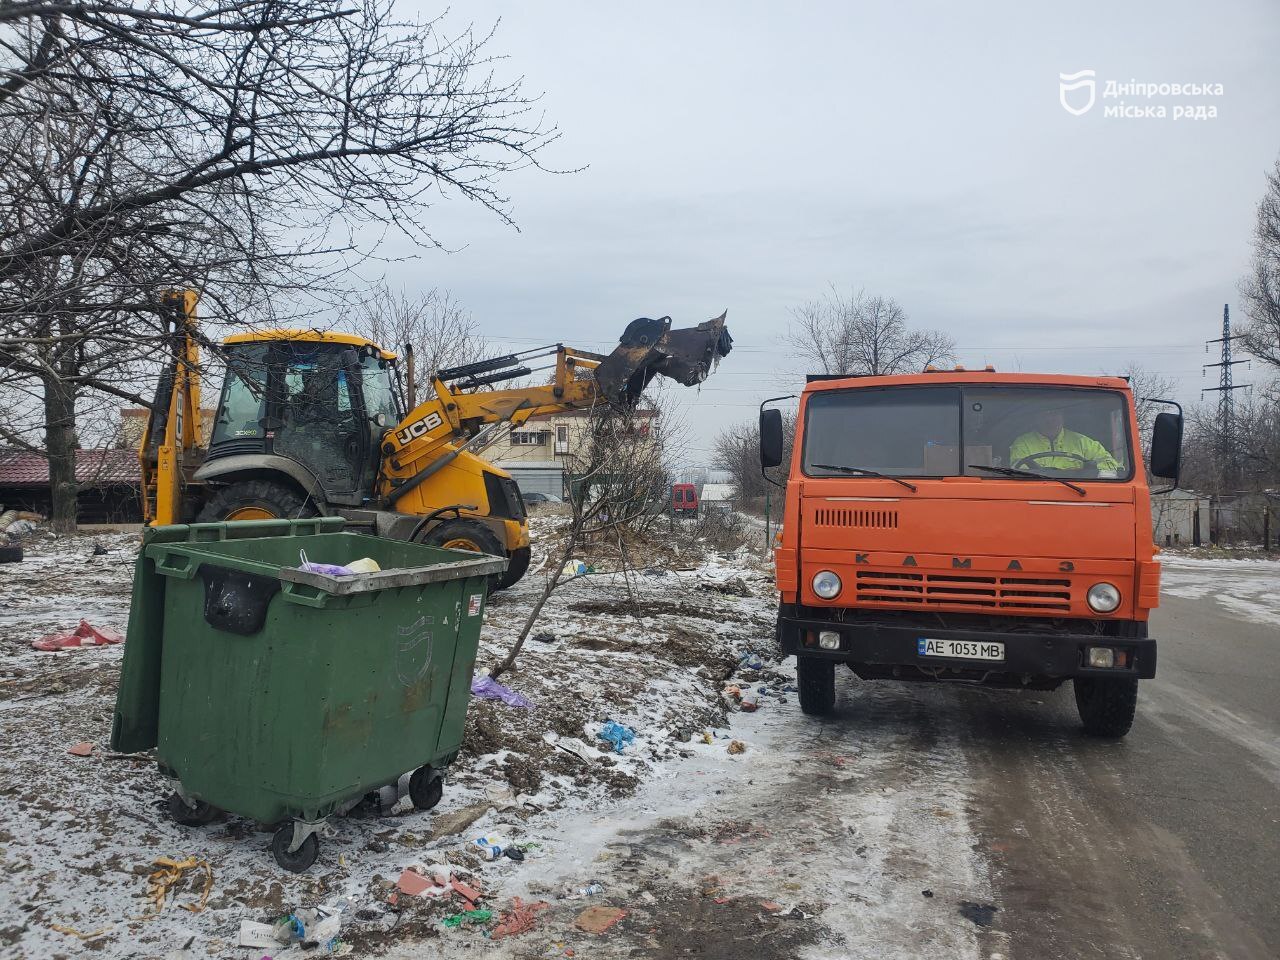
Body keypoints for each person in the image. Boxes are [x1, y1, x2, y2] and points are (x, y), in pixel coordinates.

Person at [1009, 409, 1121, 472]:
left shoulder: (1082, 442)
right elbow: (1019, 472)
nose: (1050, 420)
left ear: (1063, 417)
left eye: (1054, 413)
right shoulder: (1022, 443)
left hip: (1080, 495)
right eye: (1045, 414)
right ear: (1036, 418)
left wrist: (1086, 472)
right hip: (1035, 495)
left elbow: (1112, 465)